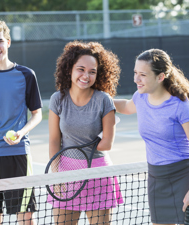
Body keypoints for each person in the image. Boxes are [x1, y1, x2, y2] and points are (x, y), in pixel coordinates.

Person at [114, 49, 189, 225]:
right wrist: (100, 99)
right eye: (135, 73)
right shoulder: (140, 97)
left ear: (161, 77)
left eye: (143, 75)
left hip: (185, 177)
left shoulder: (181, 106)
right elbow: (126, 107)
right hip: (156, 179)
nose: (136, 79)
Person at [0, 19, 42, 225]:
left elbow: (37, 114)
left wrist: (21, 132)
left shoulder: (26, 75)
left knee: (26, 218)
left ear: (8, 42)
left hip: (17, 153)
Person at [47, 41, 123, 225]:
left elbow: (107, 143)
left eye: (92, 71)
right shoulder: (57, 99)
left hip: (98, 174)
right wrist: (55, 174)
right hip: (66, 173)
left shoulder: (104, 100)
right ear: (70, 69)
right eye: (81, 69)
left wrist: (80, 146)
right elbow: (54, 141)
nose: (86, 75)